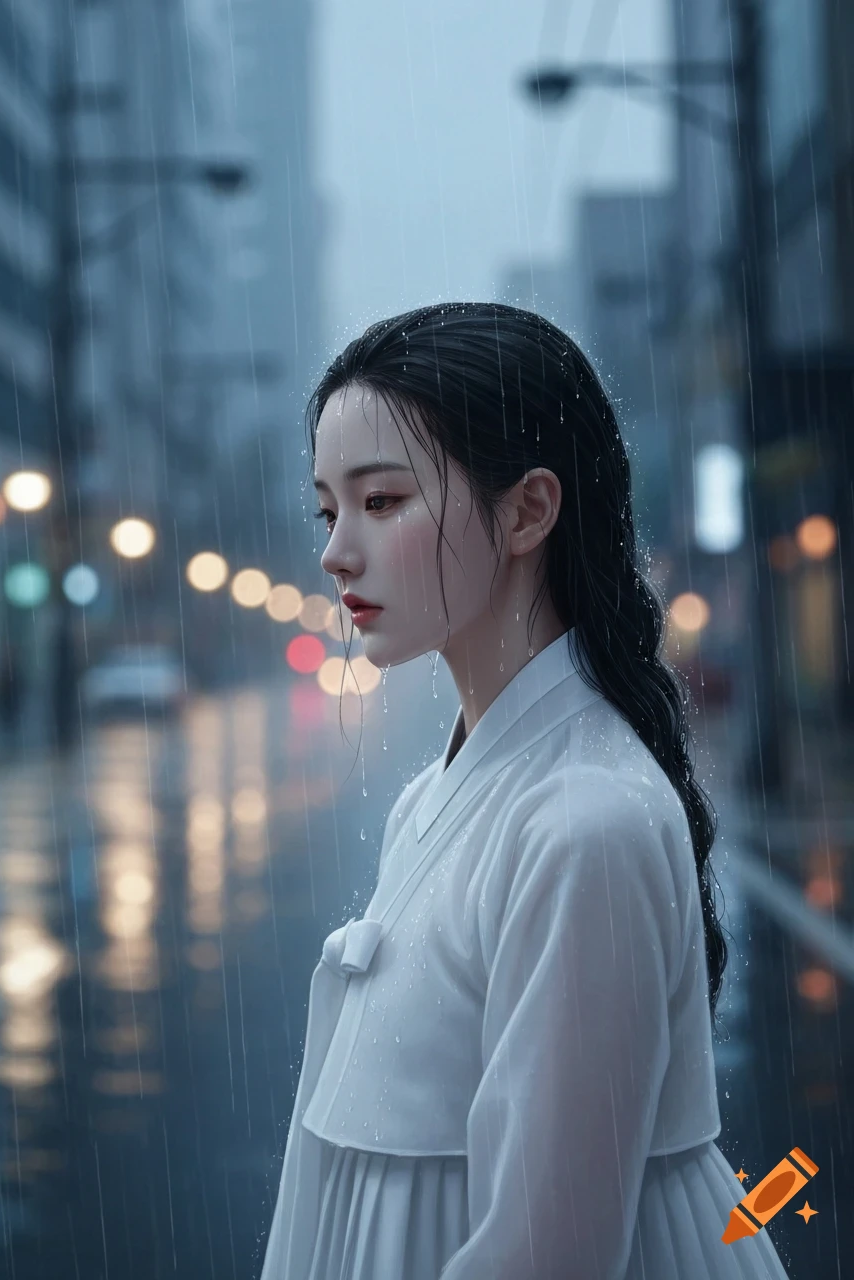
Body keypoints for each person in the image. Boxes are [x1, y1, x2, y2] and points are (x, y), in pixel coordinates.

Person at [261, 302, 791, 1279]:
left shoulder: (583, 819)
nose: (335, 551)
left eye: (381, 502)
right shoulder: (436, 795)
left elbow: (548, 1253)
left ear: (526, 510)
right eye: (327, 509)